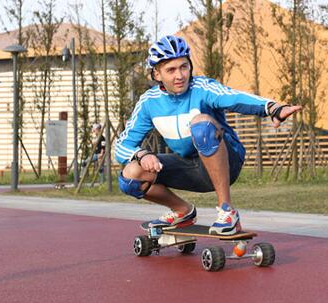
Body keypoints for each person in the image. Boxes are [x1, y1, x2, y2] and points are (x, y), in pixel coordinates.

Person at [115, 35, 301, 235]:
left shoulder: (202, 88)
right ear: (157, 74)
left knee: (201, 124)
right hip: (190, 167)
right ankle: (182, 211)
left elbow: (235, 97)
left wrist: (271, 107)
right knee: (130, 177)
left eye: (184, 67)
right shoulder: (148, 102)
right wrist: (142, 155)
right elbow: (122, 146)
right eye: (171, 70)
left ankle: (227, 212)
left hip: (227, 161)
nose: (180, 75)